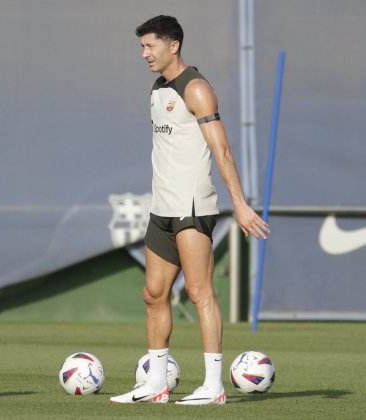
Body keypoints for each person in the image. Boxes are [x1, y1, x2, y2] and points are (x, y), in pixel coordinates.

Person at [110, 15, 269, 406]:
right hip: (161, 208)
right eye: (142, 47)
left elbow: (222, 150)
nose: (144, 54)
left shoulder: (196, 89)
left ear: (174, 45)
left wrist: (241, 204)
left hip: (192, 207)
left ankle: (213, 386)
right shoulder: (157, 88)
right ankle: (156, 384)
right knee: (153, 294)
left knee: (200, 293)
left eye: (150, 46)